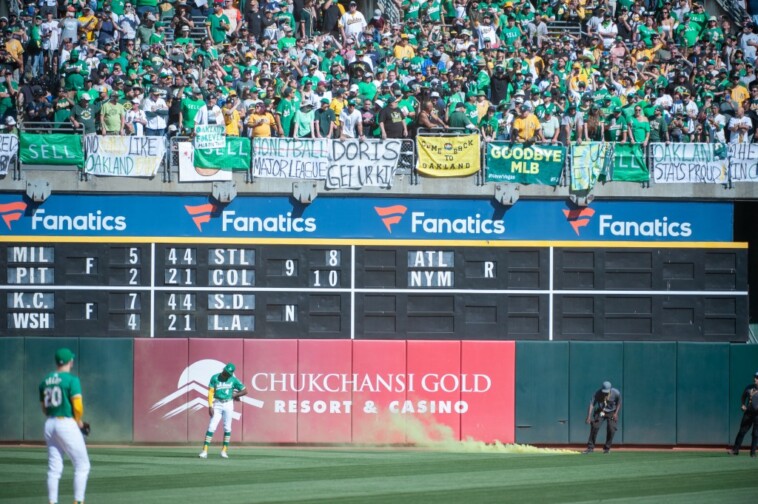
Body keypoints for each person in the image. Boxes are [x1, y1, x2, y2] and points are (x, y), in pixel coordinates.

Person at [39, 348, 90, 504]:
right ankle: (79, 501)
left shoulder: (45, 381)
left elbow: (44, 408)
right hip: (66, 423)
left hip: (49, 424)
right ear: (70, 361)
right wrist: (79, 422)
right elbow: (78, 406)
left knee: (54, 468)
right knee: (82, 465)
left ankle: (52, 501)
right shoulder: (71, 380)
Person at [199, 362, 247, 459]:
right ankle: (204, 451)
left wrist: (236, 395)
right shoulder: (215, 377)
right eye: (225, 372)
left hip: (228, 404)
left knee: (227, 428)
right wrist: (210, 406)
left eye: (228, 373)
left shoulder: (233, 380)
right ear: (223, 370)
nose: (226, 374)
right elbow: (211, 392)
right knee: (212, 427)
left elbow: (245, 390)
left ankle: (224, 451)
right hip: (217, 403)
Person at [583, 381, 622, 454]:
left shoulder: (616, 393)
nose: (605, 393)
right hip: (601, 411)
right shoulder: (597, 393)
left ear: (610, 389)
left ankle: (607, 448)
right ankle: (590, 448)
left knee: (611, 428)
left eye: (607, 391)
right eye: (604, 391)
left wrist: (616, 413)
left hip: (612, 412)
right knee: (595, 426)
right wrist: (588, 417)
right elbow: (592, 404)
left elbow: (619, 403)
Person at [729, 371, 758, 457]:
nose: (755, 379)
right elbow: (743, 397)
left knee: (755, 434)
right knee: (742, 431)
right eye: (755, 377)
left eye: (757, 378)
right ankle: (735, 450)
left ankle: (753, 453)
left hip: (757, 415)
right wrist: (743, 405)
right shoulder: (749, 388)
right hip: (748, 414)